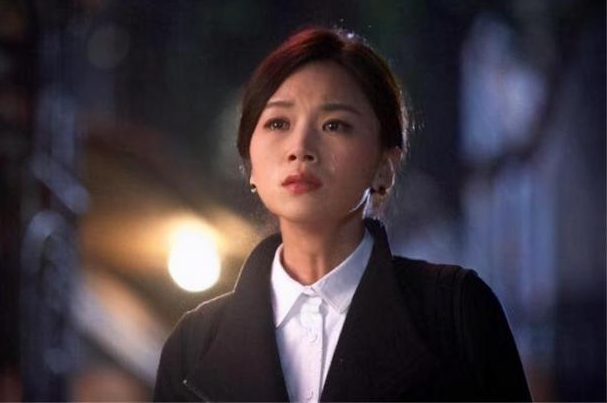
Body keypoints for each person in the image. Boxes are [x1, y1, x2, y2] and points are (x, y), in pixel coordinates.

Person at [153, 27, 531, 402]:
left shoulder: (454, 315)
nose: (300, 147)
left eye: (334, 125)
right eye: (278, 123)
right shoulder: (192, 347)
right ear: (250, 162)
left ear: (384, 166)